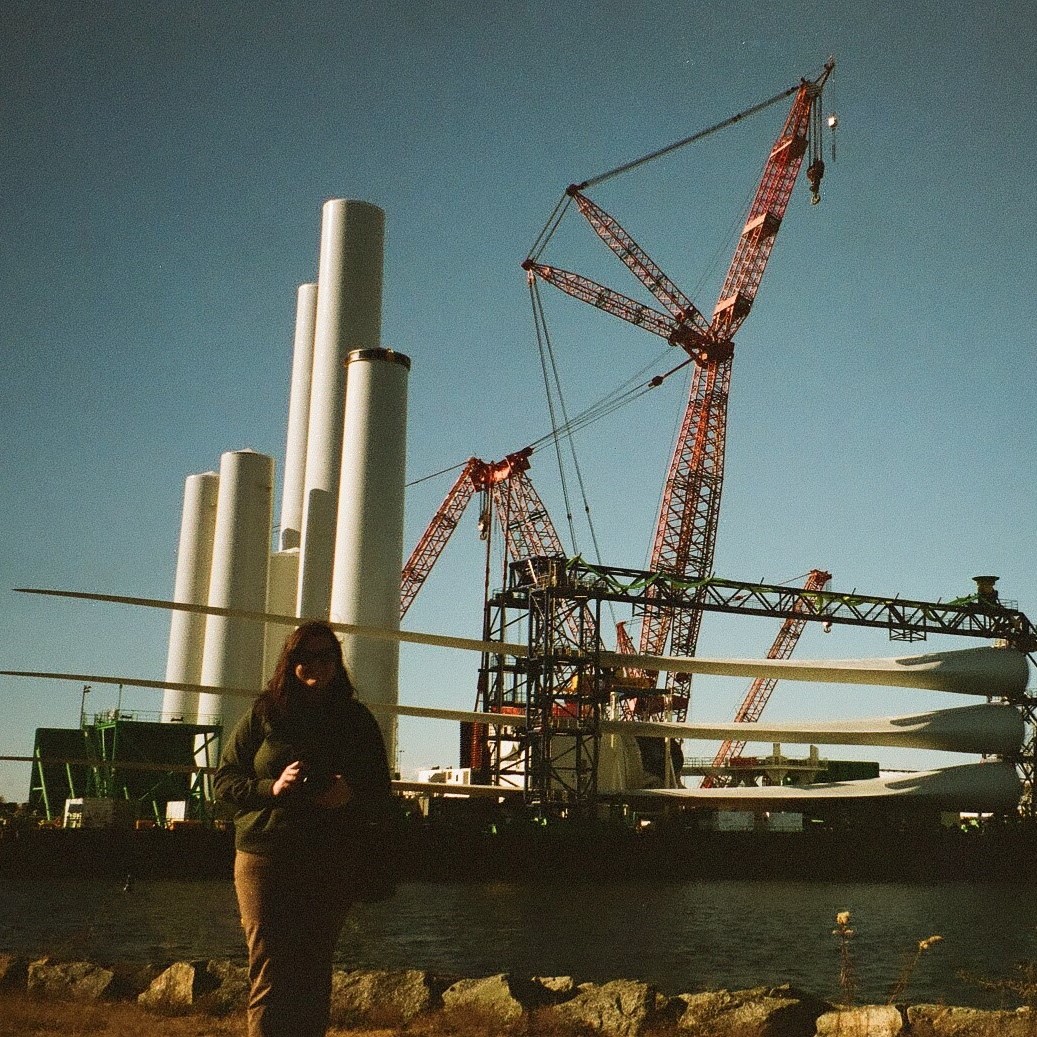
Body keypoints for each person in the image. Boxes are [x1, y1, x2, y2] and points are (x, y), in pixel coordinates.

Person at [214, 620, 394, 1037]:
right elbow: (223, 779)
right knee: (269, 967)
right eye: (303, 657)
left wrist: (348, 793)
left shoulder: (355, 720)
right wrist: (272, 786)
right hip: (265, 855)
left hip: (330, 856)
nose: (315, 665)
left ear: (337, 663)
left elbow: (379, 791)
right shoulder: (265, 712)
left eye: (324, 656)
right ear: (289, 662)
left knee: (314, 970)